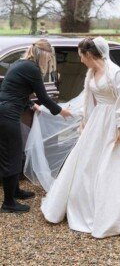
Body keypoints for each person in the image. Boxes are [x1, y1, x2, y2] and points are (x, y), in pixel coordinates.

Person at [40, 37, 120, 238]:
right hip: (98, 122)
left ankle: (117, 210)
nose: (81, 60)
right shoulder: (91, 73)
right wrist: (85, 121)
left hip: (116, 121)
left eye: (81, 57)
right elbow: (89, 99)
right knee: (87, 164)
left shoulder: (113, 72)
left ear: (89, 55)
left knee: (117, 165)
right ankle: (86, 203)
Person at [0, 39, 72, 213]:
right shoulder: (32, 69)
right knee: (11, 156)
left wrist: (32, 106)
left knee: (15, 153)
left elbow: (16, 90)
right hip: (7, 114)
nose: (48, 62)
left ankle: (15, 191)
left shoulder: (20, 63)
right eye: (48, 59)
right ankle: (8, 203)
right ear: (43, 55)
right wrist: (61, 111)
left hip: (5, 111)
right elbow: (45, 96)